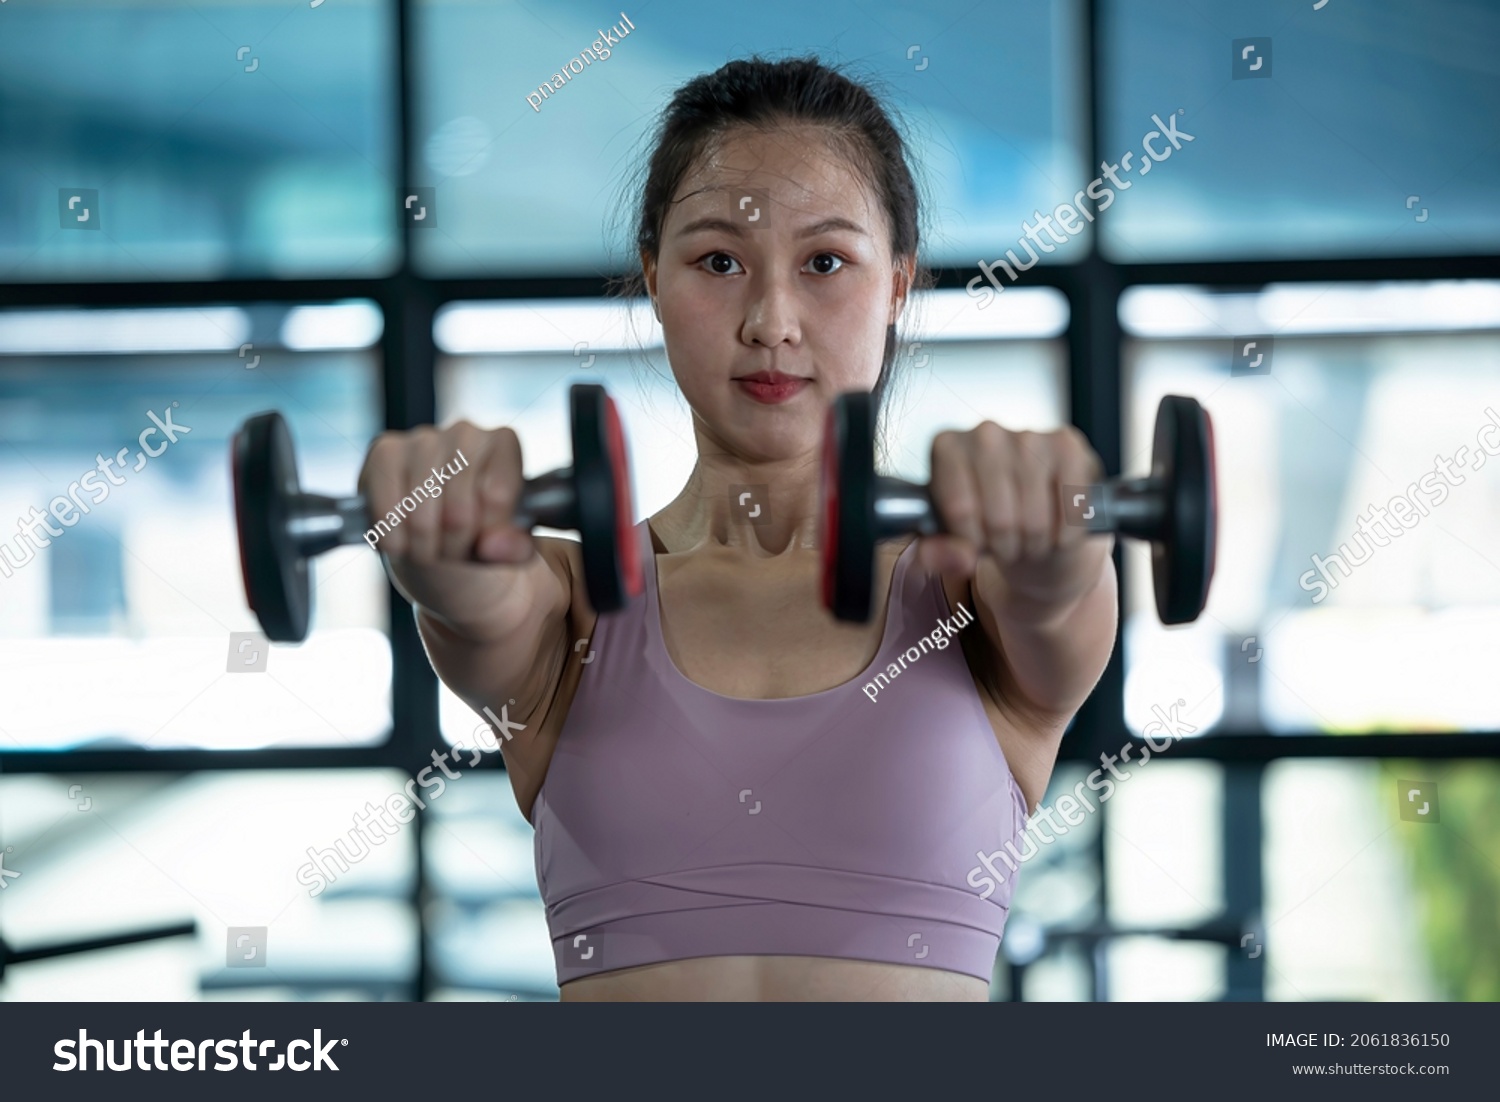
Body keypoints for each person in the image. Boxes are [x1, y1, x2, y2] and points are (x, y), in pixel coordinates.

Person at [358, 56, 1116, 1001]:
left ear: (897, 288)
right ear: (652, 278)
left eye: (826, 263)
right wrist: (437, 530)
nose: (770, 321)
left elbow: (1061, 587)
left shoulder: (977, 592)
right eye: (719, 262)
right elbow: (472, 603)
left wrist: (1053, 520)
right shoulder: (570, 602)